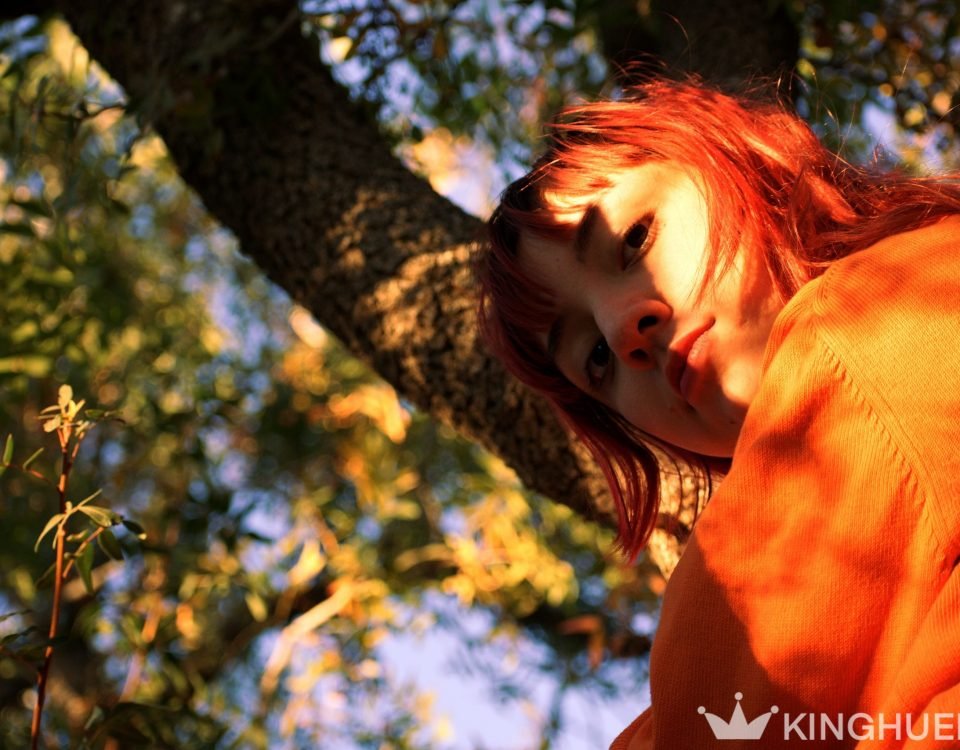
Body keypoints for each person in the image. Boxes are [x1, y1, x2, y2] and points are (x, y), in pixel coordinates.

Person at [476, 77, 960, 749]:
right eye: (595, 360)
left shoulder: (872, 316)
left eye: (635, 239)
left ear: (741, 158)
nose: (621, 329)